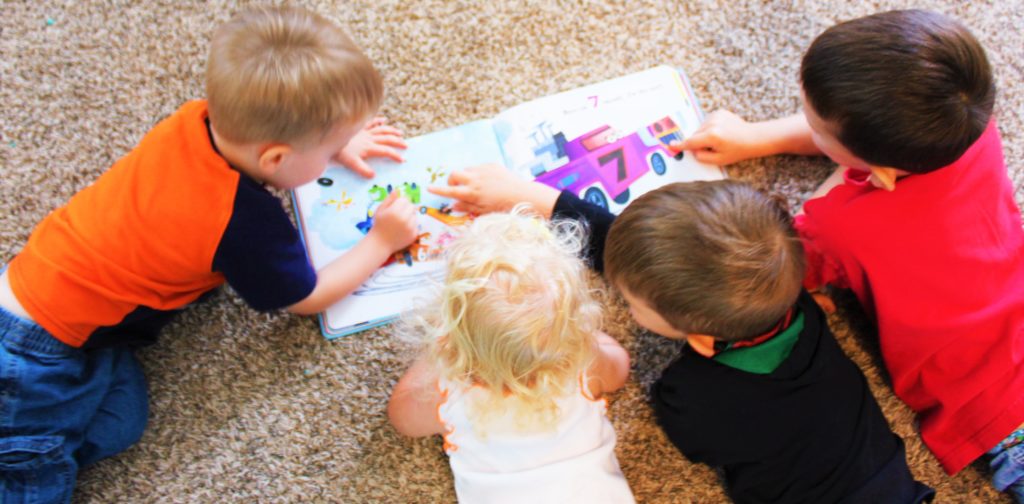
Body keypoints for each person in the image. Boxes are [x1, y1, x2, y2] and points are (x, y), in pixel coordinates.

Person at [0, 7, 417, 502]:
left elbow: (276, 154)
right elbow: (306, 297)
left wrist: (329, 145)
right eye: (331, 151)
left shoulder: (193, 119)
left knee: (123, 421)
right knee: (36, 479)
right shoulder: (244, 222)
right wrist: (381, 241)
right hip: (35, 357)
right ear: (276, 158)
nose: (336, 158)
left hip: (38, 297)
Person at [671, 9, 1024, 500]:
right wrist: (755, 137)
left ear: (878, 170)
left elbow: (767, 273)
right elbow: (855, 134)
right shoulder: (969, 130)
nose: (808, 126)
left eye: (813, 126)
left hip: (1003, 413)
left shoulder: (841, 228)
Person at [432, 173, 932, 502]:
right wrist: (536, 198)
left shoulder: (691, 394)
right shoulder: (788, 295)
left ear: (697, 338)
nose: (622, 306)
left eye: (630, 304)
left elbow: (696, 443)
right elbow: (643, 253)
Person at [387, 210, 635, 504]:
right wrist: (584, 340)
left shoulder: (447, 392)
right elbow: (619, 369)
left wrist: (439, 354)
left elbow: (401, 417)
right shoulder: (582, 365)